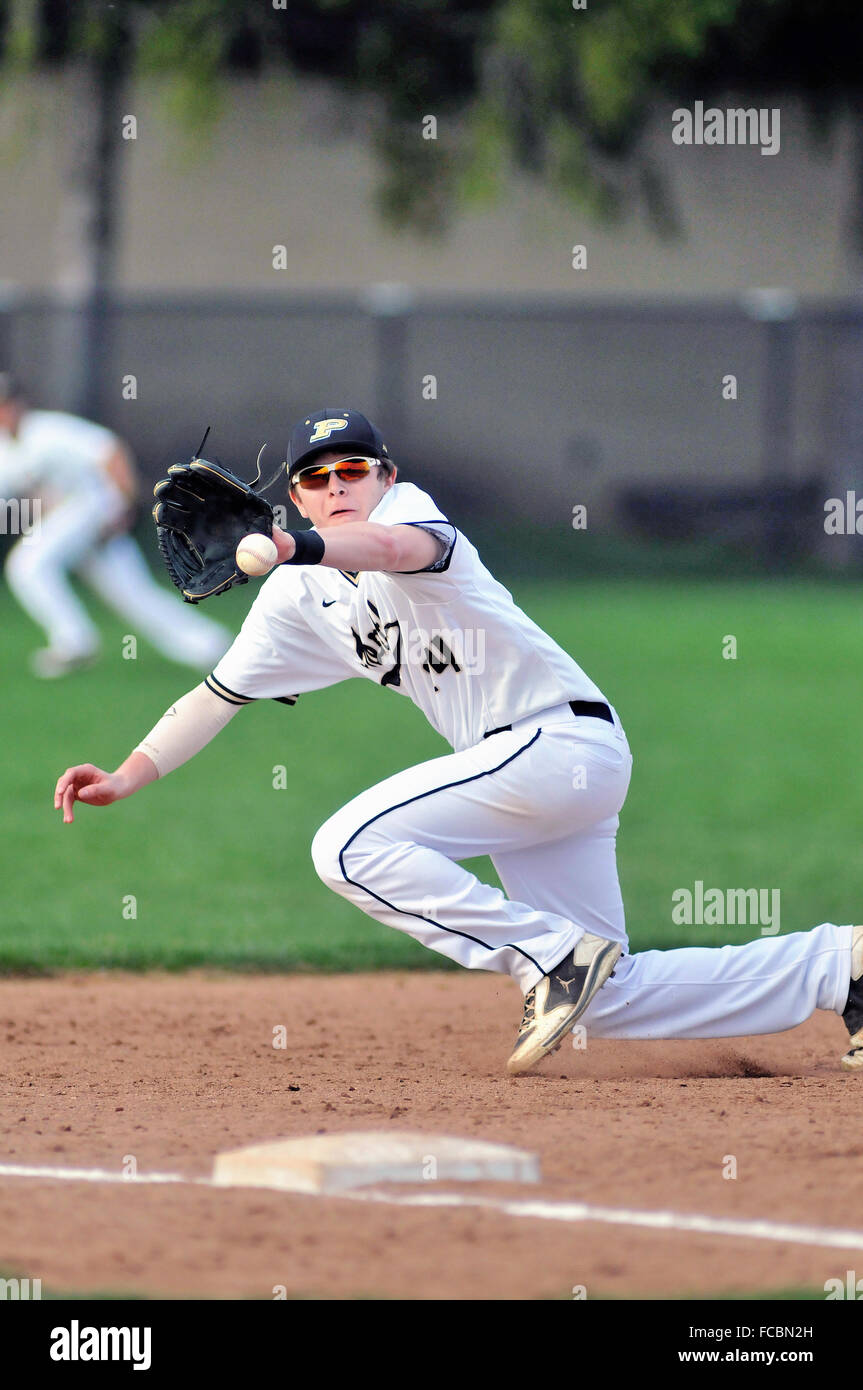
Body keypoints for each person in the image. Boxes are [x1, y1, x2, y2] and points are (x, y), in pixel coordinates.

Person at [54, 407, 863, 1074]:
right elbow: (215, 695)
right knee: (608, 996)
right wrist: (128, 775)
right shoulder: (295, 601)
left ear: (385, 478)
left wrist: (294, 546)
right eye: (315, 478)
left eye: (352, 470)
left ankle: (546, 957)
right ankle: (838, 967)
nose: (337, 487)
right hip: (526, 780)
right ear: (296, 496)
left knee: (346, 846)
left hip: (556, 744)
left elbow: (394, 552)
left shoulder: (407, 516)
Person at [0, 374, 231, 677]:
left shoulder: (46, 430)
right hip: (72, 523)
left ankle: (74, 641)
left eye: (5, 404)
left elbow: (109, 450)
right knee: (132, 593)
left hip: (94, 506)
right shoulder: (6, 451)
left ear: (18, 405)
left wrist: (124, 504)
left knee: (27, 565)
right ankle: (212, 646)